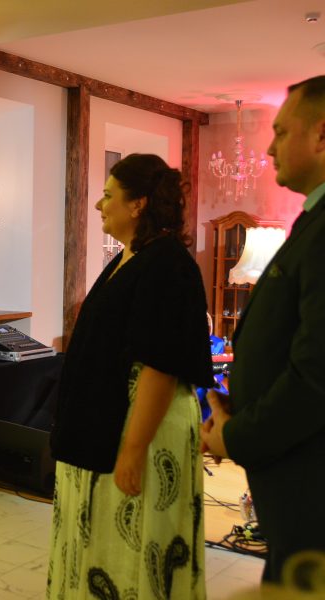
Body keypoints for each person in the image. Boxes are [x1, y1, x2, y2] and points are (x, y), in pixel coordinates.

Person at [48, 154, 214, 599]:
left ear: (138, 204)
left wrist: (134, 450)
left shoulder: (167, 264)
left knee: (136, 550)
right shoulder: (131, 257)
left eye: (108, 196)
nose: (99, 205)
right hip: (107, 428)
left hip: (141, 431)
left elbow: (160, 365)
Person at [200, 75, 325, 585]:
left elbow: (316, 374)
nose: (270, 148)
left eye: (282, 131)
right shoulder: (313, 220)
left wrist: (238, 435)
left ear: (321, 136)